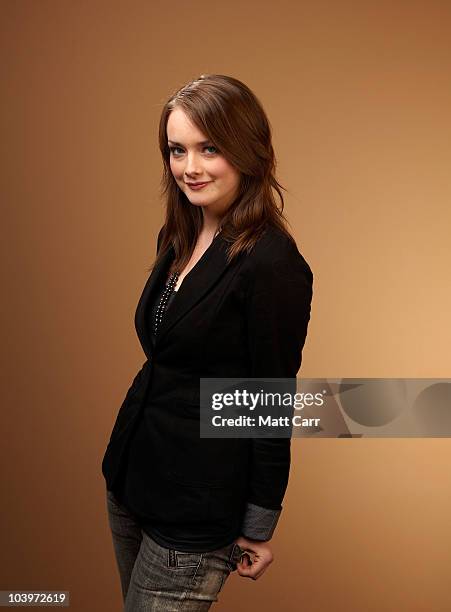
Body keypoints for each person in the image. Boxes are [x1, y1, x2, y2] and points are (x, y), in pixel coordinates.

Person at [101, 74, 313, 611]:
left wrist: (260, 522)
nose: (190, 167)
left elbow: (269, 400)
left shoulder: (273, 264)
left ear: (248, 150)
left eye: (209, 148)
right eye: (178, 150)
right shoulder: (176, 235)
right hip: (131, 480)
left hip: (195, 511)